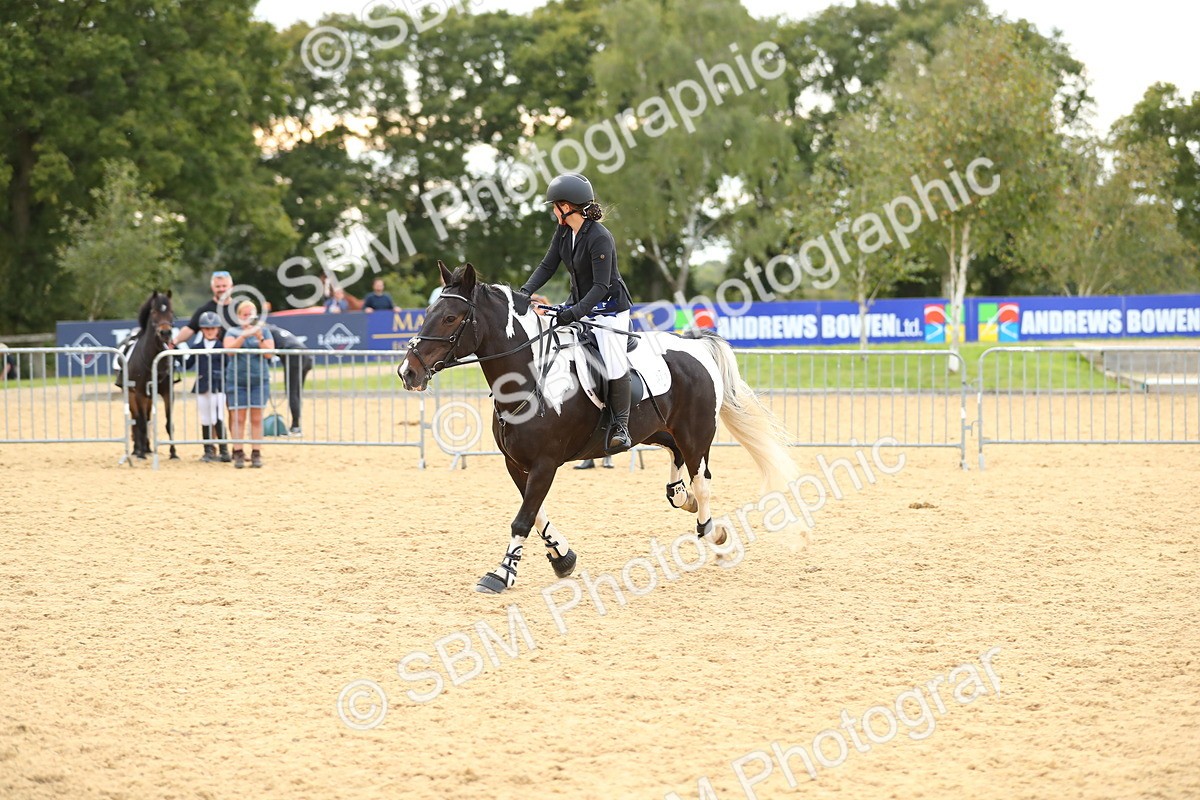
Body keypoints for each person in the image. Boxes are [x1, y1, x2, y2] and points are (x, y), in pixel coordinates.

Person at [518, 172, 634, 452]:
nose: (554, 211)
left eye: (555, 205)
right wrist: (523, 292)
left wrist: (575, 313)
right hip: (579, 305)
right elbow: (547, 266)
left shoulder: (600, 237)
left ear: (567, 206)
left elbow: (601, 286)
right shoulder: (563, 232)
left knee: (613, 360)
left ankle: (621, 426)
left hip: (609, 310)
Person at [223, 300, 274, 468]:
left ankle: (256, 452)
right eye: (245, 315)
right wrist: (243, 336)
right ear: (238, 317)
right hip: (237, 381)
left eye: (250, 315)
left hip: (259, 381)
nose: (248, 318)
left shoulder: (264, 331)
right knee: (238, 417)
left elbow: (269, 353)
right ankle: (238, 452)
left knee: (257, 418)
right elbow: (229, 350)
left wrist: (259, 337)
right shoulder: (232, 331)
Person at [185, 312, 231, 462]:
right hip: (202, 384)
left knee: (217, 416)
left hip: (218, 386)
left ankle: (224, 451)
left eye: (212, 328)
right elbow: (188, 364)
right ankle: (208, 450)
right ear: (202, 330)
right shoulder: (197, 347)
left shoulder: (223, 347)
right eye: (206, 328)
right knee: (205, 417)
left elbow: (228, 366)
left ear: (218, 329)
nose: (210, 331)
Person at [266, 322, 314, 435]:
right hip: (306, 354)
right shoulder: (275, 329)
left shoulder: (265, 332)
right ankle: (296, 423)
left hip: (293, 355)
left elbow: (267, 351)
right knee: (297, 392)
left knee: (292, 392)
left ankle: (296, 426)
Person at [174, 270, 234, 345]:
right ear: (212, 287)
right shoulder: (204, 310)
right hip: (213, 355)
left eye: (224, 286)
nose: (221, 289)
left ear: (231, 287)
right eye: (218, 286)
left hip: (237, 356)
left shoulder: (240, 309)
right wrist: (174, 342)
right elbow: (190, 329)